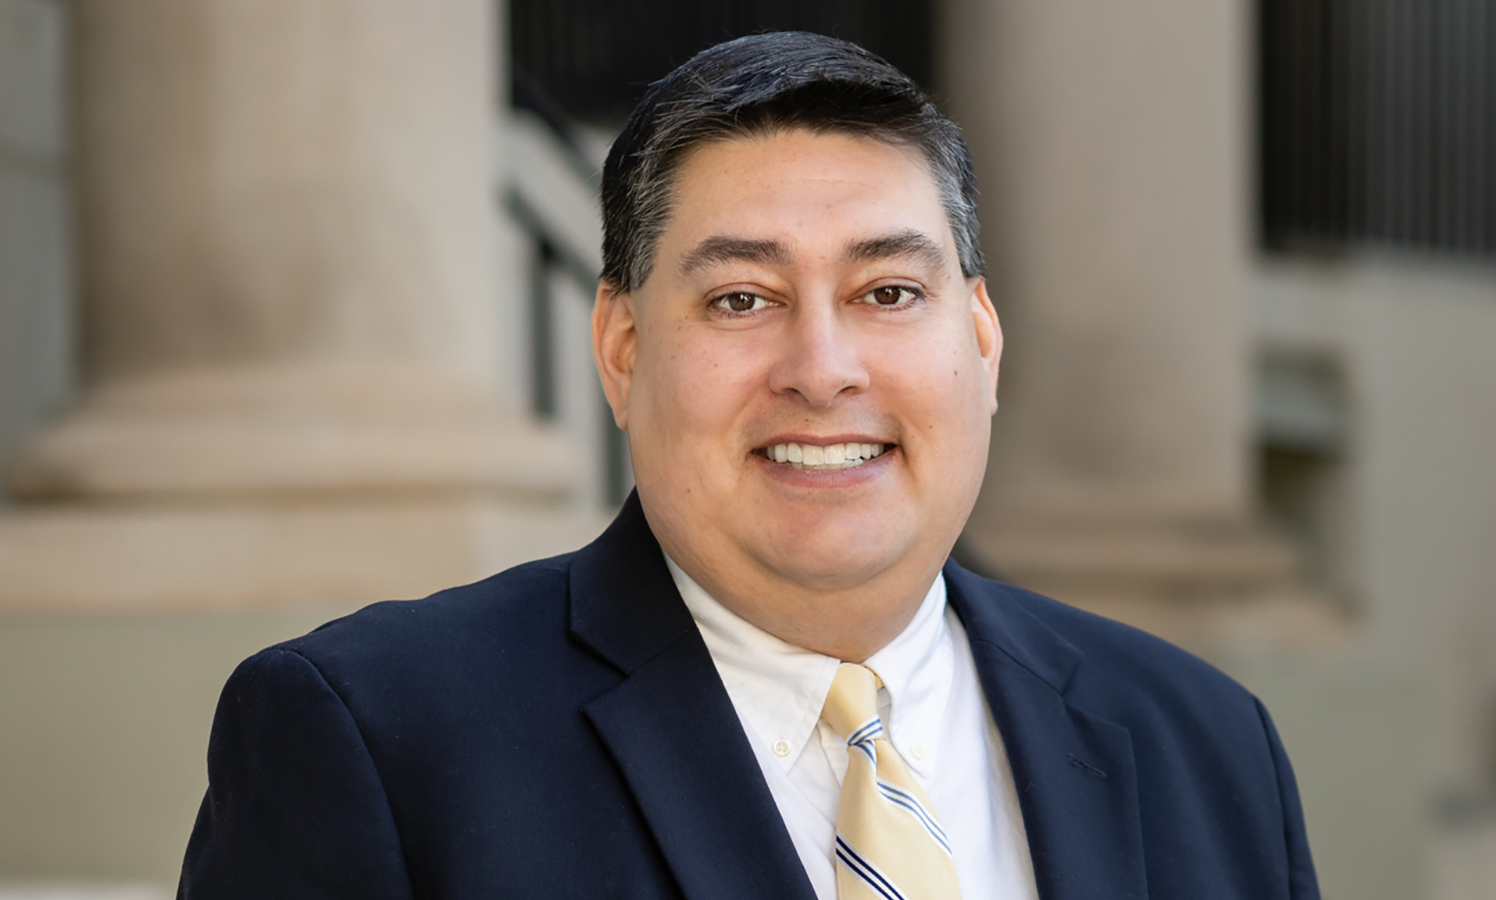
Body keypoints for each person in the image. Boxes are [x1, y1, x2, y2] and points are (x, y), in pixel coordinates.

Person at [179, 31, 1319, 900]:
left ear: (980, 339)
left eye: (886, 293)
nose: (821, 370)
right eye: (741, 298)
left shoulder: (1205, 747)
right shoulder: (378, 739)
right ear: (623, 351)